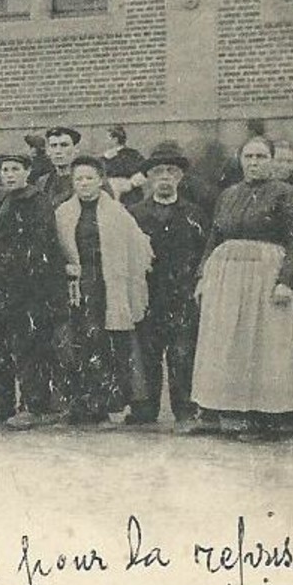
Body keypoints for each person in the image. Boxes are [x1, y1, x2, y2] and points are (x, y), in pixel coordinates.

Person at [191, 135, 293, 434]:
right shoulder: (228, 194)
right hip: (227, 280)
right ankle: (224, 409)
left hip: (267, 276)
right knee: (227, 342)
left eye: (261, 157)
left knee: (265, 343)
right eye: (249, 157)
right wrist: (202, 276)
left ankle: (266, 416)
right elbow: (214, 238)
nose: (255, 163)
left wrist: (285, 281)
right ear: (241, 160)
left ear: (272, 161)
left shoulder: (287, 194)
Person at [55, 156, 154, 425]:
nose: (84, 183)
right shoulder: (63, 213)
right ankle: (85, 404)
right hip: (77, 286)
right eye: (79, 179)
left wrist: (131, 285)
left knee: (109, 343)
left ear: (100, 180)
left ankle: (109, 402)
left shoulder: (117, 213)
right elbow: (55, 250)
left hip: (109, 285)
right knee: (81, 343)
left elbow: (138, 250)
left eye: (89, 178)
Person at [0, 151, 64, 428]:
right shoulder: (5, 201)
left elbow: (40, 247)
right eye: (5, 170)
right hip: (3, 287)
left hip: (29, 289)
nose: (9, 175)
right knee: (1, 349)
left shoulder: (37, 202)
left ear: (27, 172)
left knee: (29, 349)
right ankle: (3, 403)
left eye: (15, 169)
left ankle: (34, 406)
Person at [126, 145, 211, 430]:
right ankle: (145, 409)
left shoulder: (195, 214)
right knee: (147, 353)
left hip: (182, 296)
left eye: (171, 172)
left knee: (182, 354)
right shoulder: (134, 214)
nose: (165, 177)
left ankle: (185, 410)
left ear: (180, 176)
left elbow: (204, 254)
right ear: (149, 177)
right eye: (158, 172)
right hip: (147, 294)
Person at [37, 127, 81, 206]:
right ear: (48, 151)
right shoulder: (43, 182)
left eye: (64, 145)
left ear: (76, 148)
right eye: (53, 146)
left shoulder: (87, 179)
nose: (58, 151)